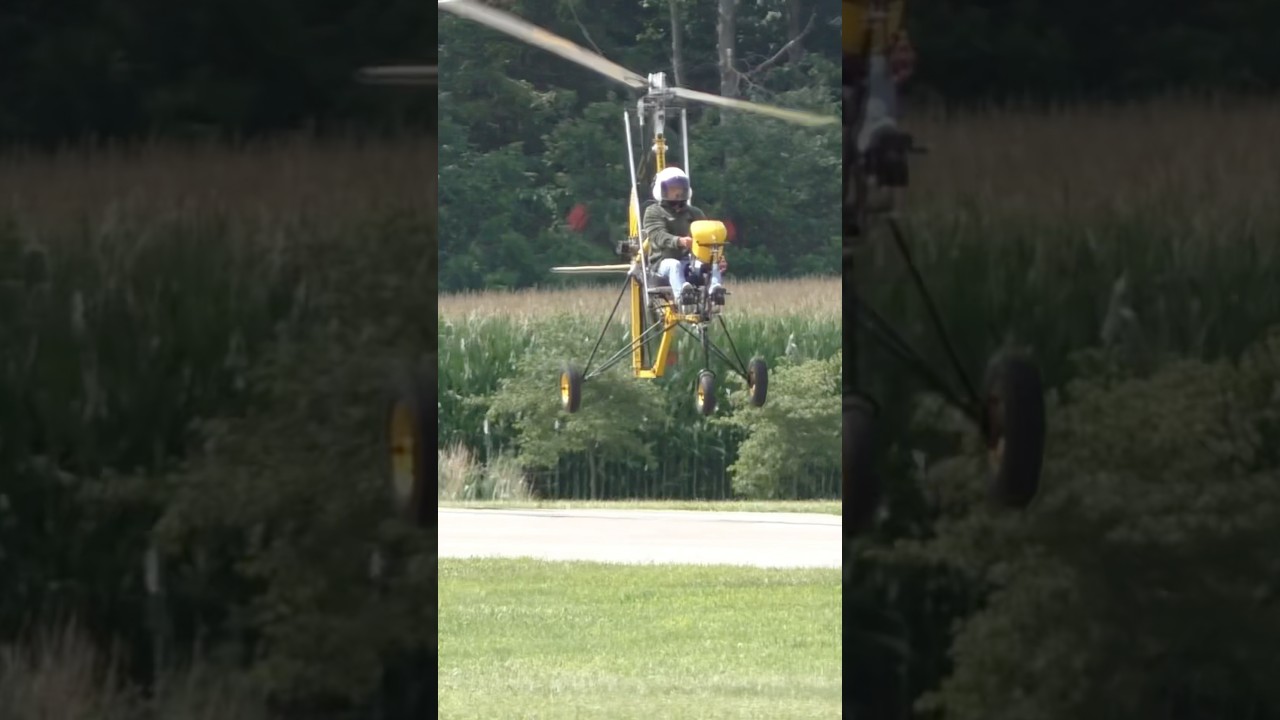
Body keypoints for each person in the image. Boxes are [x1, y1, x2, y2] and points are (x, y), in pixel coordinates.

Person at [642, 166, 727, 306]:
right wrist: (679, 241)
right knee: (674, 264)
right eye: (673, 189)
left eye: (680, 189)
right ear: (661, 190)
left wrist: (718, 256)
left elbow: (707, 236)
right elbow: (658, 235)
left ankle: (715, 289)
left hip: (689, 262)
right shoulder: (653, 212)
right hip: (662, 263)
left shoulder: (695, 213)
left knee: (713, 262)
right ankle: (682, 295)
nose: (677, 193)